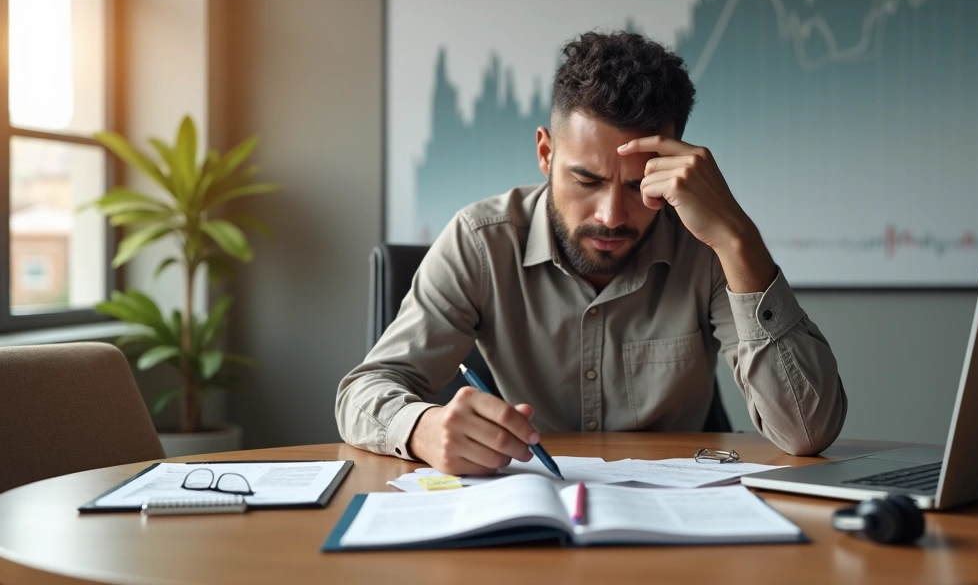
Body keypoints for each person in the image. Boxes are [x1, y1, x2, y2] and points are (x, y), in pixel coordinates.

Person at [337, 30, 846, 475]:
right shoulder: (480, 241)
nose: (611, 215)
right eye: (586, 180)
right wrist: (422, 426)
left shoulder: (707, 246)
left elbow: (806, 430)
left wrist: (737, 237)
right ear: (545, 153)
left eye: (637, 184)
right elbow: (363, 392)